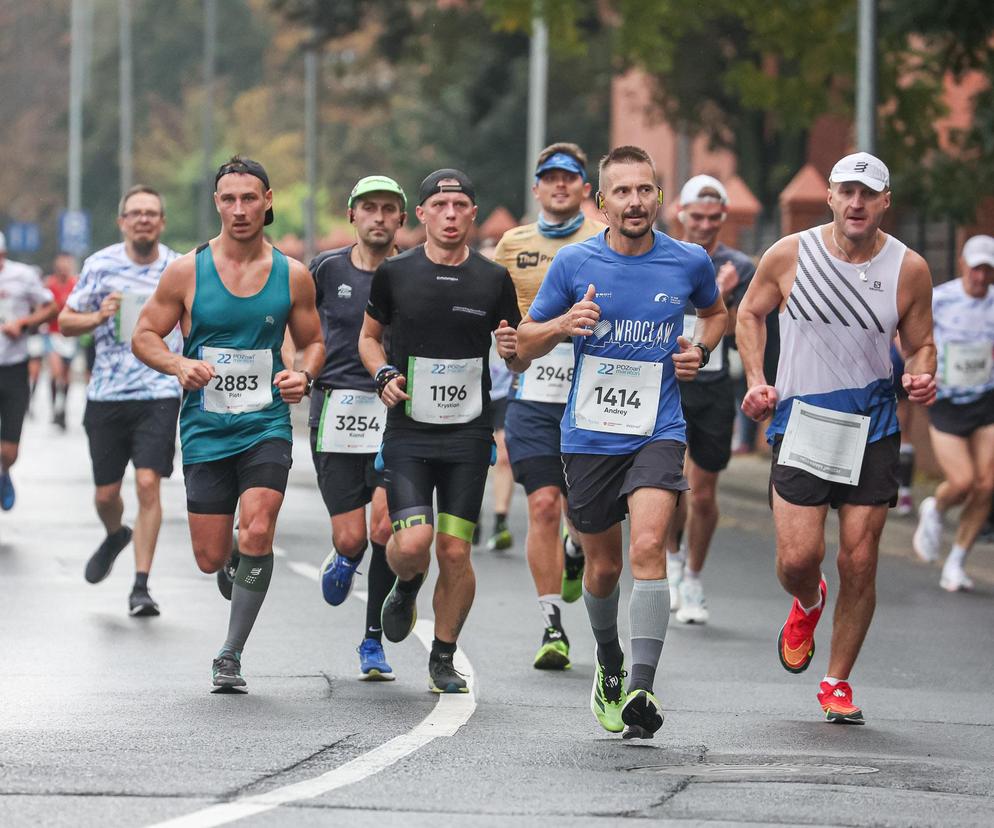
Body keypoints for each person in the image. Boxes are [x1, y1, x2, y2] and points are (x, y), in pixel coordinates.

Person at [518, 145, 727, 739]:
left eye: (645, 190)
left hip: (658, 429)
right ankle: (608, 662)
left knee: (650, 545)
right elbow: (526, 345)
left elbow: (717, 314)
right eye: (623, 192)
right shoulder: (573, 264)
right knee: (604, 568)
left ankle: (641, 683)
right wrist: (562, 326)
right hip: (588, 436)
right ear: (600, 201)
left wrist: (701, 348)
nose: (635, 202)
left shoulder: (687, 260)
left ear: (658, 196)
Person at [736, 152, 937, 725]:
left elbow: (922, 342)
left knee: (862, 558)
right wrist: (757, 380)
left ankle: (837, 681)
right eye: (847, 192)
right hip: (803, 422)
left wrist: (922, 372)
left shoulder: (910, 268)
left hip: (873, 423)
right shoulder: (790, 254)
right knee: (799, 558)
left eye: (868, 194)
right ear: (828, 196)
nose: (856, 203)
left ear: (885, 202)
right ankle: (808, 600)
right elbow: (750, 314)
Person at [132, 157, 324, 690]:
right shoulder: (187, 270)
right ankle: (232, 557)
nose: (239, 209)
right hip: (205, 427)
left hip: (265, 423)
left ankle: (230, 654)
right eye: (228, 199)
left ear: (267, 200)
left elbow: (312, 342)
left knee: (259, 526)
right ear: (217, 204)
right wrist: (177, 363)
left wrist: (303, 375)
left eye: (249, 198)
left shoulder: (292, 275)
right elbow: (145, 334)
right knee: (209, 555)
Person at [358, 168, 527, 694]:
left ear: (473, 214)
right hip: (408, 431)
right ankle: (406, 585)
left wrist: (512, 351)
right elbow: (368, 338)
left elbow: (516, 352)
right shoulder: (396, 274)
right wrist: (383, 372)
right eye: (441, 205)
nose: (451, 214)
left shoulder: (493, 280)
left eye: (461, 205)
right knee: (413, 545)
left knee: (454, 551)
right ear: (424, 214)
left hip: (467, 437)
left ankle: (443, 656)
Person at [493, 142, 604, 670]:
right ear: (536, 188)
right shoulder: (513, 243)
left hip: (593, 396)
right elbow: (493, 311)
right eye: (550, 178)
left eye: (570, 178)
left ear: (585, 188)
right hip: (531, 394)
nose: (560, 185)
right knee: (541, 504)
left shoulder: (604, 240)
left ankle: (576, 551)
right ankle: (551, 625)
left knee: (581, 516)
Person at [60, 186, 182, 617]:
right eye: (136, 213)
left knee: (148, 483)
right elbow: (64, 322)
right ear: (123, 222)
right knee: (105, 495)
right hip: (107, 394)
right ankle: (115, 534)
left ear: (162, 221)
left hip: (159, 390)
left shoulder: (178, 267)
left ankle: (141, 585)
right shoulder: (100, 265)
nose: (144, 219)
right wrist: (97, 316)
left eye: (152, 212)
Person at [309, 175, 407, 680]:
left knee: (384, 526)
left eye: (389, 210)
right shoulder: (326, 269)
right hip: (334, 409)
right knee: (352, 538)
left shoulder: (412, 272)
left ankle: (372, 642)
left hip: (392, 409)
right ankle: (345, 557)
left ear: (401, 220)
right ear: (352, 215)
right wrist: (298, 367)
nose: (379, 217)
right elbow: (298, 325)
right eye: (369, 208)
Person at [666, 175, 757, 624]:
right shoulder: (664, 255)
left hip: (714, 386)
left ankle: (694, 578)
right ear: (680, 214)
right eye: (695, 216)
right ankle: (669, 562)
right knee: (667, 485)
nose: (703, 225)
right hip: (666, 384)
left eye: (712, 217)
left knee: (702, 493)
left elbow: (747, 328)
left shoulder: (742, 266)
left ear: (724, 217)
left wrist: (724, 292)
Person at [912, 234, 994, 591]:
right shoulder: (941, 299)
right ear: (963, 265)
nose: (980, 277)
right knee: (961, 482)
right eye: (976, 269)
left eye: (987, 271)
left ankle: (957, 562)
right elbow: (912, 340)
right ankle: (935, 507)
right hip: (946, 401)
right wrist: (922, 371)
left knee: (987, 485)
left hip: (985, 400)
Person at [0, 231, 58, 511]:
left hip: (13, 369)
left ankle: (4, 470)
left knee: (8, 450)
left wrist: (23, 323)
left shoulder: (22, 276)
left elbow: (50, 308)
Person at [44, 253, 79, 430]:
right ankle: (53, 409)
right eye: (61, 264)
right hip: (52, 334)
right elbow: (42, 307)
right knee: (56, 372)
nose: (64, 267)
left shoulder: (76, 284)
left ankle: (62, 409)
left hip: (70, 336)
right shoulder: (49, 284)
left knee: (66, 377)